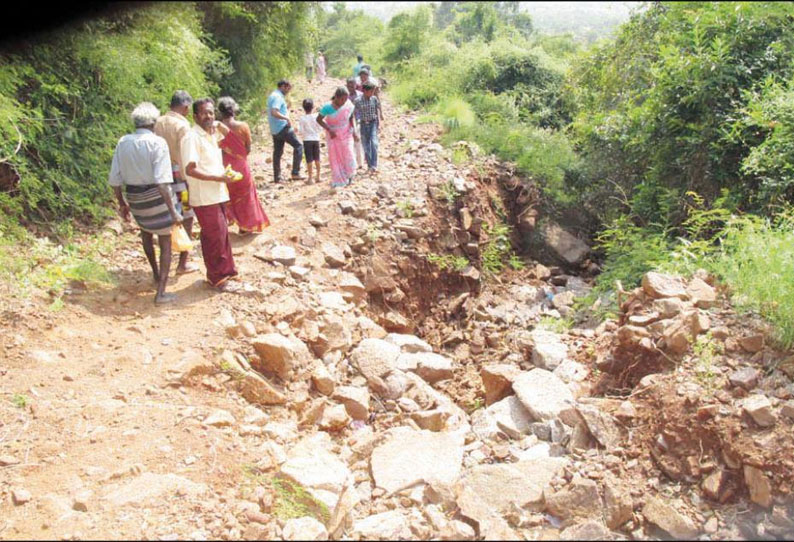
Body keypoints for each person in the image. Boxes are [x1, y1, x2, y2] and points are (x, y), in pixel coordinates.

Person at [109, 102, 183, 305]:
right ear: (154, 123)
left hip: (135, 199)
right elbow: (162, 182)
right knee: (165, 241)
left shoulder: (123, 141)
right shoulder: (158, 143)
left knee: (145, 233)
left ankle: (156, 273)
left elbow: (115, 179)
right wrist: (173, 211)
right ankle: (161, 293)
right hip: (156, 198)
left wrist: (122, 204)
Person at [180, 98, 239, 290]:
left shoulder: (210, 134)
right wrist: (218, 178)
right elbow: (190, 169)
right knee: (215, 235)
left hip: (217, 192)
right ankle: (217, 277)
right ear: (195, 116)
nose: (209, 116)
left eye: (212, 113)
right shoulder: (192, 137)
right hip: (204, 196)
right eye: (205, 113)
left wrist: (220, 125)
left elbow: (235, 143)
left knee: (221, 234)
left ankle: (227, 272)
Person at [154, 90, 199, 276]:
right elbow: (185, 156)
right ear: (186, 107)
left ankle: (163, 263)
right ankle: (182, 263)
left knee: (165, 218)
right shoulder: (183, 125)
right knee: (187, 217)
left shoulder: (157, 122)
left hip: (159, 177)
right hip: (179, 176)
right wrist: (190, 181)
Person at [217, 96, 270, 234]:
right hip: (241, 166)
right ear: (234, 110)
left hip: (224, 167)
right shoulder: (242, 126)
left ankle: (233, 221)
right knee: (246, 196)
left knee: (230, 196)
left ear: (220, 111)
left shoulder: (217, 128)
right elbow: (247, 149)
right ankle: (246, 226)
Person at [316, 86, 358, 188]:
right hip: (334, 136)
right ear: (336, 97)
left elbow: (351, 118)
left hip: (346, 133)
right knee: (336, 157)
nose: (344, 101)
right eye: (342, 99)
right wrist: (329, 130)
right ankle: (339, 179)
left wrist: (354, 132)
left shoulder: (348, 105)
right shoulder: (327, 107)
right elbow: (319, 119)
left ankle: (350, 175)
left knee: (349, 154)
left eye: (346, 99)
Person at [267, 80, 304, 183]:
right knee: (299, 146)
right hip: (282, 127)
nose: (288, 91)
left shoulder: (273, 95)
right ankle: (295, 173)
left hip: (274, 129)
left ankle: (277, 177)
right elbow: (274, 112)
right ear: (283, 86)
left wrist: (286, 109)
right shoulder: (278, 97)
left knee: (278, 152)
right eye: (288, 88)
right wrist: (286, 118)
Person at [355, 80, 384, 175]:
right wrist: (356, 123)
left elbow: (377, 109)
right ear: (365, 91)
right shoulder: (358, 101)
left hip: (373, 123)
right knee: (366, 146)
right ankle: (369, 165)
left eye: (373, 91)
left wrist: (379, 120)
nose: (372, 93)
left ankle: (374, 165)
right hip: (363, 124)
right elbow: (354, 113)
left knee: (374, 143)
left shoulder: (374, 99)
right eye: (370, 91)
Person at [298, 98, 322, 184]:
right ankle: (318, 176)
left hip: (307, 140)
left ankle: (310, 178)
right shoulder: (316, 116)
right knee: (317, 158)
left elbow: (301, 131)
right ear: (313, 107)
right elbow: (320, 127)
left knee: (309, 159)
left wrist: (304, 134)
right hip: (316, 139)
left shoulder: (302, 118)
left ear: (303, 108)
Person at [346, 77, 365, 169]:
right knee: (350, 142)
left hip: (359, 120)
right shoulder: (345, 97)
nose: (350, 87)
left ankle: (360, 162)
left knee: (358, 141)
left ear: (355, 85)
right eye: (348, 86)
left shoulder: (361, 95)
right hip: (348, 122)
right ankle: (353, 162)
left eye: (352, 85)